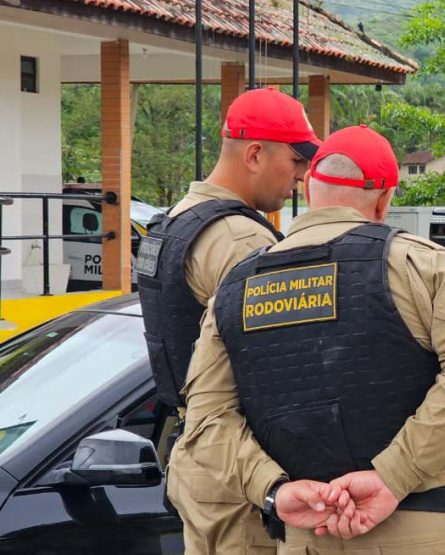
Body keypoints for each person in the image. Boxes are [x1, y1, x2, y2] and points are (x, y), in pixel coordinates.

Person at [178, 125, 445, 554]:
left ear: (310, 186)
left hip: (304, 534)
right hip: (415, 527)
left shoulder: (236, 287)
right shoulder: (422, 266)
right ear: (385, 199)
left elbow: (207, 418)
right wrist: (391, 476)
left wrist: (273, 491)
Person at [136, 87, 320, 555]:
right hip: (241, 466)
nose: (301, 176)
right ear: (255, 154)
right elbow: (285, 368)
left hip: (199, 456)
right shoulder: (237, 238)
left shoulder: (174, 221)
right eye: (296, 160)